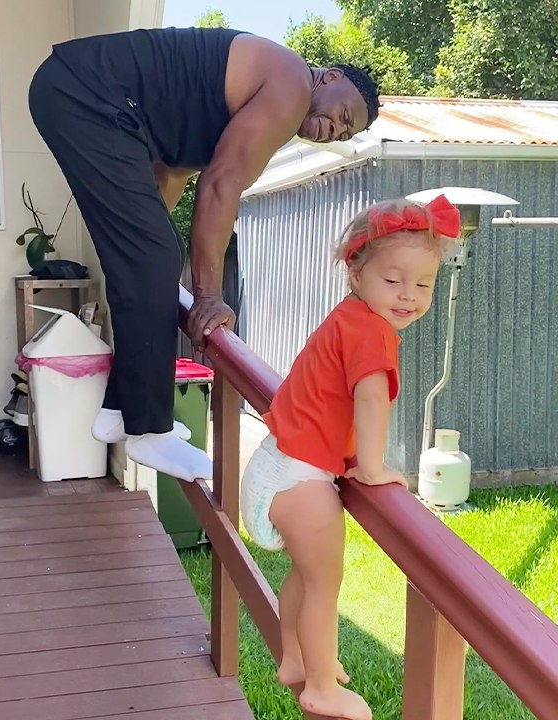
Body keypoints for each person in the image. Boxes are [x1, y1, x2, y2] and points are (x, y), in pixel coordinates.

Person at [28, 27, 382, 482]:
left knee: (154, 259)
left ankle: (120, 410)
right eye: (343, 112)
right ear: (328, 77)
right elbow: (221, 186)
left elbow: (171, 177)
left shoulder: (235, 106)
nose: (334, 128)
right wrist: (208, 296)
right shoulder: (292, 82)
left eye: (343, 131)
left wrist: (150, 259)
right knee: (154, 259)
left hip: (83, 93)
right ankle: (148, 432)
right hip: (88, 92)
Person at [240, 195, 461, 720]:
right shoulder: (370, 331)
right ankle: (320, 684)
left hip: (279, 464)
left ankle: (295, 657)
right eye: (393, 281)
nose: (409, 296)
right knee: (323, 583)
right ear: (355, 274)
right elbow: (369, 395)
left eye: (423, 283)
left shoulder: (352, 316)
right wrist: (373, 465)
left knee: (305, 572)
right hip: (299, 476)